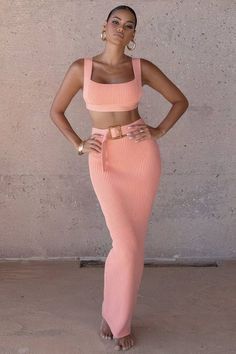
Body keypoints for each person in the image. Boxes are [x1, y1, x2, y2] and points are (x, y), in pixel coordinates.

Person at [50, 4, 189, 351]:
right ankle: (115, 315)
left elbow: (179, 100)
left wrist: (157, 131)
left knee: (133, 245)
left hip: (140, 156)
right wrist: (80, 145)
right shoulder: (81, 68)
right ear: (105, 26)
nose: (121, 28)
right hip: (104, 158)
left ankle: (116, 316)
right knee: (124, 243)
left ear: (133, 35)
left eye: (128, 26)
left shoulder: (141, 67)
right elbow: (56, 111)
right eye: (116, 22)